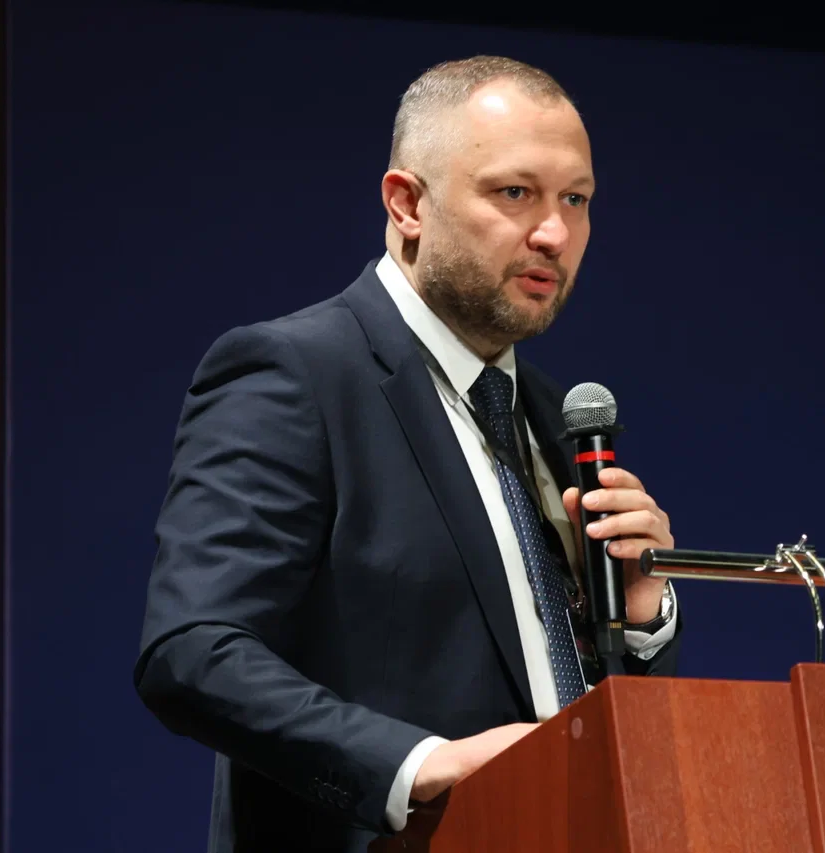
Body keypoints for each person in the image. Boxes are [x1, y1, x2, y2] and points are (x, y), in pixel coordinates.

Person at [133, 55, 682, 853]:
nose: (554, 233)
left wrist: (637, 621)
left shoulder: (552, 415)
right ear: (407, 203)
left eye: (576, 199)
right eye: (515, 192)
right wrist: (418, 765)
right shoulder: (296, 374)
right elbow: (192, 653)